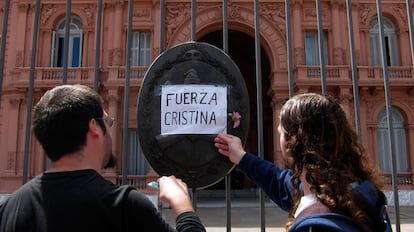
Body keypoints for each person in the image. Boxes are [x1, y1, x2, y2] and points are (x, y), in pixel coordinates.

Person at [0, 84, 205, 232]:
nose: (110, 128)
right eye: (108, 121)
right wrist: (181, 203)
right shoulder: (124, 205)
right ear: (94, 128)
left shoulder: (10, 209)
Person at [214, 93, 392, 232]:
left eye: (281, 132)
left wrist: (187, 215)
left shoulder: (317, 225)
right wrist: (242, 158)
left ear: (293, 142)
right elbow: (279, 182)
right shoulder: (361, 192)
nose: (279, 136)